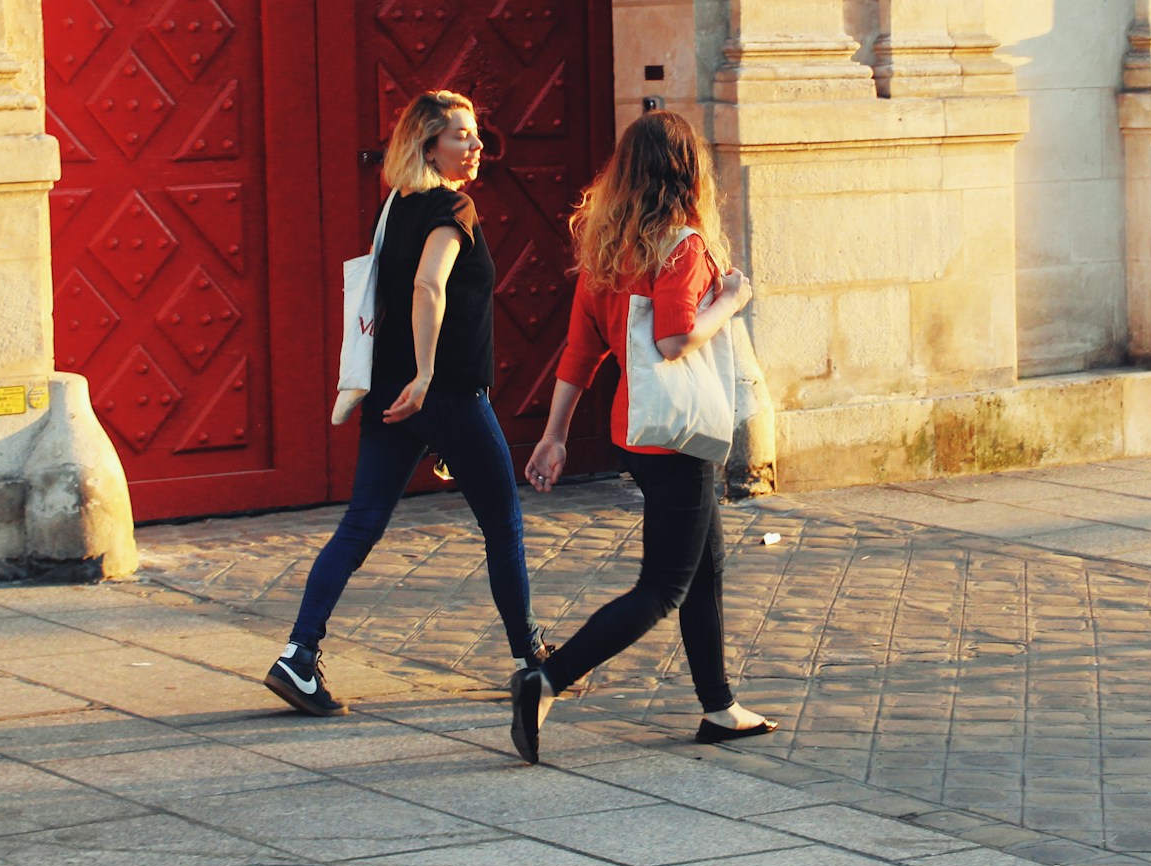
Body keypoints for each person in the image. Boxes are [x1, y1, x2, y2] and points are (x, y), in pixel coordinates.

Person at [265, 90, 545, 716]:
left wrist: (410, 384)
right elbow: (427, 285)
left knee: (361, 524)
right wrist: (425, 375)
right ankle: (531, 660)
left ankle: (298, 654)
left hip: (395, 392)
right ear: (429, 146)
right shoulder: (452, 207)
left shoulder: (394, 206)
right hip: (442, 390)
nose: (475, 147)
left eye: (474, 135)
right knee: (503, 525)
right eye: (460, 137)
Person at [510, 109, 774, 764]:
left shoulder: (607, 247)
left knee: (703, 565)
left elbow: (579, 351)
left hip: (638, 429)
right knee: (663, 585)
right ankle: (546, 679)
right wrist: (732, 300)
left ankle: (719, 705)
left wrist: (555, 435)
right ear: (687, 173)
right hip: (678, 432)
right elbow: (677, 337)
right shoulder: (681, 245)